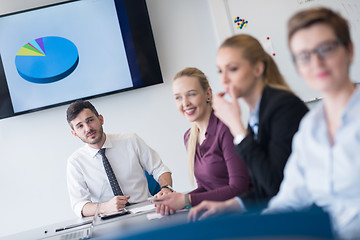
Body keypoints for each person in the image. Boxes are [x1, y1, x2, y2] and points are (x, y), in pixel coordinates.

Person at [261, 8, 360, 239]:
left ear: (349, 50)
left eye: (326, 49)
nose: (316, 62)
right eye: (304, 56)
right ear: (297, 67)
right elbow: (288, 202)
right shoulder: (309, 129)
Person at [187, 34, 308, 221]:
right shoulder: (257, 114)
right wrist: (228, 205)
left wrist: (235, 126)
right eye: (220, 71)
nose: (224, 80)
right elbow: (262, 189)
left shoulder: (284, 108)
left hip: (305, 219)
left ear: (258, 68)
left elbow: (276, 187)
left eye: (232, 69)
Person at [154, 67, 251, 215]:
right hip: (216, 215)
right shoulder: (189, 137)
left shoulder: (226, 129)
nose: (185, 103)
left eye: (191, 94)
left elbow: (239, 188)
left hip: (242, 215)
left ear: (208, 94)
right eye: (178, 97)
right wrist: (174, 199)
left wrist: (187, 200)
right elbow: (206, 187)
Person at [66, 100, 172, 217]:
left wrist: (166, 188)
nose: (88, 129)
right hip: (108, 218)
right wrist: (105, 207)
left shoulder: (131, 140)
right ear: (74, 133)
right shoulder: (75, 162)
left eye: (90, 120)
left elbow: (159, 169)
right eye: (80, 126)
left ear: (100, 119)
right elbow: (79, 205)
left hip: (145, 211)